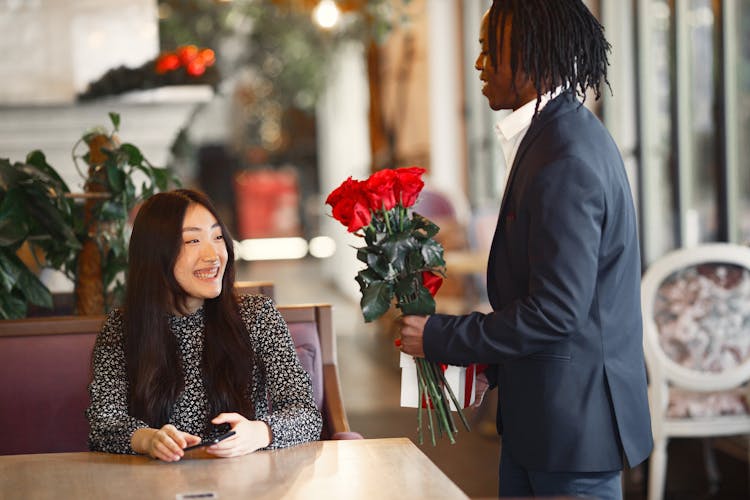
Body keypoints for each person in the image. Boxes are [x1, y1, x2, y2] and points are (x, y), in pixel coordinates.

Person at [398, 1, 653, 498]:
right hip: (544, 423)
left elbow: (557, 312)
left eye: (489, 51)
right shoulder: (554, 135)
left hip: (573, 433)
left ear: (532, 55)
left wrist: (443, 336)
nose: (479, 65)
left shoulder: (565, 156)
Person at [86, 189, 321, 461]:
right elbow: (103, 425)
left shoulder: (257, 316)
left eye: (218, 237)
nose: (213, 255)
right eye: (193, 240)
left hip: (243, 482)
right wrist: (148, 439)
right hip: (156, 484)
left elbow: (306, 413)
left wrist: (258, 432)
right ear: (155, 253)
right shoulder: (121, 329)